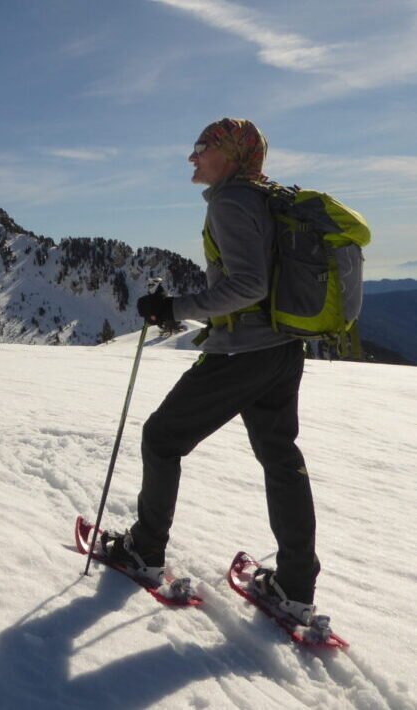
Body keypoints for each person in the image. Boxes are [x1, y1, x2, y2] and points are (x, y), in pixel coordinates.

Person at [105, 118, 320, 624]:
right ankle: (294, 585)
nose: (193, 156)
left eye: (202, 148)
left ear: (229, 155)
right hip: (284, 348)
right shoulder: (265, 197)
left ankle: (145, 549)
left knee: (162, 437)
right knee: (280, 457)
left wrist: (175, 308)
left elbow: (248, 286)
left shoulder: (231, 201)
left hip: (244, 350)